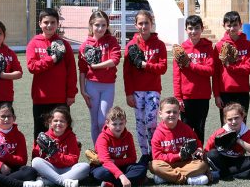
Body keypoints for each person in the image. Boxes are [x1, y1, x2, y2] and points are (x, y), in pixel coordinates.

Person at [26, 8, 78, 142]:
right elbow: (32, 67)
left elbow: (71, 71)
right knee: (40, 131)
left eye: (53, 22)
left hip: (60, 98)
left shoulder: (64, 44)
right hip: (41, 98)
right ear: (40, 24)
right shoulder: (34, 43)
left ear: (57, 24)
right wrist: (52, 59)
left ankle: (66, 160)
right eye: (46, 22)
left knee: (63, 131)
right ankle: (37, 160)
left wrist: (71, 93)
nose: (49, 25)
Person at [123, 10, 167, 160]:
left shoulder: (159, 44)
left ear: (151, 23)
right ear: (136, 25)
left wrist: (145, 65)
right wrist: (128, 93)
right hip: (136, 91)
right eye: (140, 23)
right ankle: (145, 154)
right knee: (140, 123)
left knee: (151, 121)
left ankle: (155, 151)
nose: (143, 26)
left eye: (146, 23)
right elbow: (127, 73)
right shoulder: (131, 45)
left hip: (153, 90)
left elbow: (163, 68)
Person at [0, 104, 44, 187]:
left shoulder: (19, 136)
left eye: (9, 116)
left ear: (14, 118)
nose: (6, 119)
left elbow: (22, 160)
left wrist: (5, 156)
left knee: (30, 171)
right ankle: (24, 186)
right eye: (3, 116)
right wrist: (0, 165)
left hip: (13, 170)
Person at [78, 10, 121, 145]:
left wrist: (96, 66)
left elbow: (115, 59)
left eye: (103, 25)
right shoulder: (85, 45)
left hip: (108, 86)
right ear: (91, 25)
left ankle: (105, 149)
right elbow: (82, 70)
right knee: (95, 122)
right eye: (97, 25)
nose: (100, 28)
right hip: (91, 86)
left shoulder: (111, 40)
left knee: (103, 120)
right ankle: (98, 153)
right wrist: (82, 90)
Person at [150, 97, 209, 185]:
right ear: (160, 114)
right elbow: (157, 156)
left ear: (179, 113)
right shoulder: (158, 133)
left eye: (175, 112)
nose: (172, 114)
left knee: (202, 165)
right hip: (168, 164)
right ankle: (188, 180)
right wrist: (178, 156)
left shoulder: (186, 128)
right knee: (153, 165)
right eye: (168, 112)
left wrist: (199, 149)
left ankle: (167, 177)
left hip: (186, 164)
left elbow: (197, 142)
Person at [173, 15, 214, 142]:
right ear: (186, 30)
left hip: (202, 96)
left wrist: (190, 65)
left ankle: (199, 155)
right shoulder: (181, 49)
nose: (193, 31)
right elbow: (176, 76)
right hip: (186, 96)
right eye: (190, 28)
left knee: (200, 128)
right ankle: (187, 156)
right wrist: (178, 98)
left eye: (196, 28)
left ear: (202, 29)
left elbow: (210, 70)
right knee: (186, 128)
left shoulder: (207, 47)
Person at [31, 106, 90, 187]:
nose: (58, 123)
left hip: (67, 170)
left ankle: (51, 181)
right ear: (50, 122)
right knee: (36, 161)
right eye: (55, 121)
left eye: (62, 121)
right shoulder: (45, 137)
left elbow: (73, 160)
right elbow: (36, 157)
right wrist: (41, 152)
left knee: (85, 166)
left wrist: (56, 154)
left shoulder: (71, 137)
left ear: (67, 124)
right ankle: (64, 182)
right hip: (50, 169)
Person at [91, 106, 148, 187]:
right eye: (114, 124)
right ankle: (133, 180)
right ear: (107, 123)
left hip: (120, 166)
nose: (118, 127)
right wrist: (121, 176)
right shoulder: (102, 137)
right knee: (101, 173)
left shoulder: (128, 136)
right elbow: (105, 161)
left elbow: (132, 158)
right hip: (105, 167)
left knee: (141, 168)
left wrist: (116, 162)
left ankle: (113, 185)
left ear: (125, 122)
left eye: (121, 123)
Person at [212, 11, 250, 124]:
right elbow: (215, 73)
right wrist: (216, 95)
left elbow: (249, 68)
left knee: (242, 125)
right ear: (224, 26)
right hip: (225, 92)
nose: (232, 28)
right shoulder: (219, 46)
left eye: (235, 25)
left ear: (240, 25)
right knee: (226, 127)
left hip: (242, 92)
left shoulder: (248, 44)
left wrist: (230, 66)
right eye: (229, 25)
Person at [204, 103, 250, 179]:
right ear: (225, 120)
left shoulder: (247, 132)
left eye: (236, 118)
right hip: (222, 161)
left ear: (243, 117)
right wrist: (206, 169)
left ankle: (223, 174)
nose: (233, 122)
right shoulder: (220, 132)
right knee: (212, 153)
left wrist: (238, 140)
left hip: (237, 160)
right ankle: (234, 174)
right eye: (230, 119)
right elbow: (206, 152)